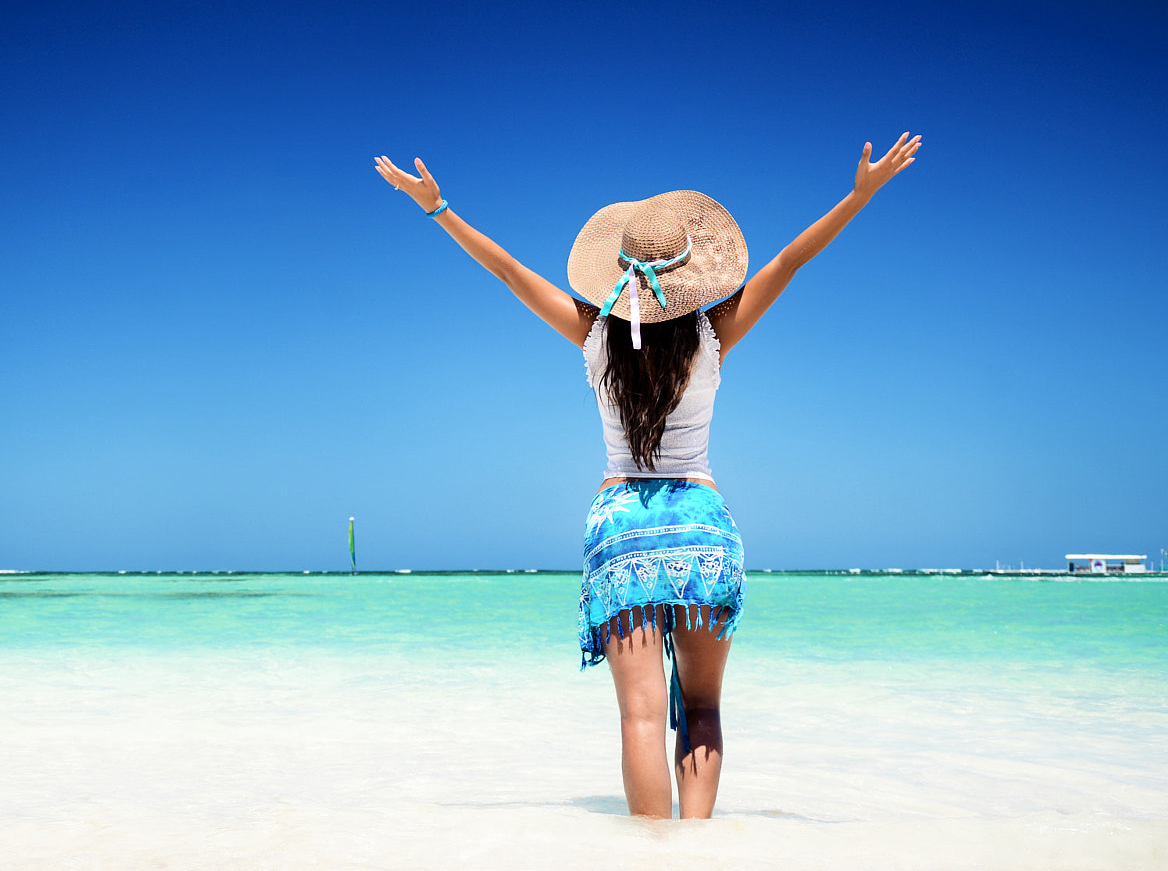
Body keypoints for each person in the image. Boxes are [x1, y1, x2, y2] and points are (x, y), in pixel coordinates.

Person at [373, 133, 921, 819]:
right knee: (701, 707)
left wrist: (439, 209)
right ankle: (696, 852)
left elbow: (510, 272)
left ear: (619, 270)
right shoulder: (716, 332)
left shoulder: (595, 333)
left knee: (639, 718)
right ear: (693, 272)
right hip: (701, 523)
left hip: (621, 528)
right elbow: (792, 260)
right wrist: (859, 197)